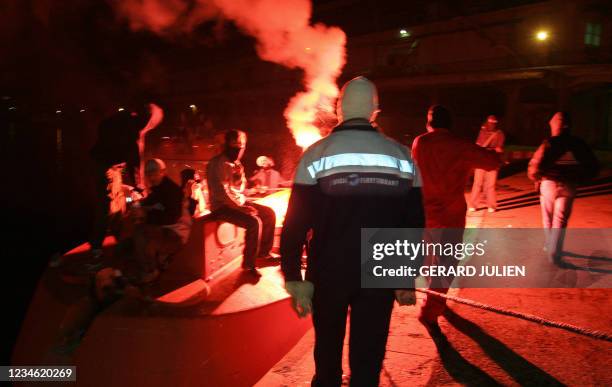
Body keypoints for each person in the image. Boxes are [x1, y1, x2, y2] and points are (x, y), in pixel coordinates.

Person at [280, 76, 425, 387]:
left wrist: (293, 276)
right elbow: (413, 225)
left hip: (329, 269)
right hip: (380, 269)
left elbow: (294, 224)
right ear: (375, 111)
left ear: (339, 108)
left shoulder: (315, 154)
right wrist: (404, 278)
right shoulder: (402, 157)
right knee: (368, 359)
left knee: (327, 352)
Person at [412, 105, 501, 325]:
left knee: (429, 259)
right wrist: (494, 153)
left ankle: (434, 299)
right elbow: (492, 162)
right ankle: (430, 309)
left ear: (429, 124)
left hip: (425, 212)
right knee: (446, 262)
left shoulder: (419, 142)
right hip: (450, 215)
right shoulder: (460, 146)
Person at [89, 103, 163, 260]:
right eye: (152, 124)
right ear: (148, 121)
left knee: (120, 203)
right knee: (107, 206)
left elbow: (131, 158)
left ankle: (118, 241)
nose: (150, 128)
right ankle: (96, 249)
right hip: (106, 167)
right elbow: (135, 163)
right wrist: (140, 188)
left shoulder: (127, 119)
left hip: (107, 164)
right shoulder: (134, 132)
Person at [528, 112, 599, 265]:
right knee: (560, 219)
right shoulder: (578, 143)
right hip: (569, 184)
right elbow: (593, 166)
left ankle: (549, 245)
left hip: (548, 183)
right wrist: (581, 179)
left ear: (554, 125)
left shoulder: (549, 142)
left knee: (547, 216)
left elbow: (535, 165)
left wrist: (535, 178)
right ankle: (555, 252)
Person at [206, 130, 277, 276]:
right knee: (254, 222)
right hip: (222, 207)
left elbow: (239, 189)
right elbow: (221, 193)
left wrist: (240, 179)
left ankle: (263, 253)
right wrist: (241, 208)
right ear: (227, 144)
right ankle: (248, 265)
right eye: (235, 144)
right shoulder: (216, 164)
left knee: (269, 213)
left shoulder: (237, 163)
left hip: (238, 202)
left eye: (242, 145)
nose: (239, 149)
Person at [131, 159, 186, 283]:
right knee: (137, 232)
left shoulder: (172, 190)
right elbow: (149, 201)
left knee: (140, 234)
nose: (151, 176)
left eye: (154, 172)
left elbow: (173, 217)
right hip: (165, 226)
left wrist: (147, 216)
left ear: (163, 172)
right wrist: (138, 205)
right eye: (148, 173)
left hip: (174, 229)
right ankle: (150, 267)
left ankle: (150, 270)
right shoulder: (159, 188)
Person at [469, 115, 505, 212]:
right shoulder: (482, 132)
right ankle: (473, 205)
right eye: (490, 122)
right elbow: (477, 146)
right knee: (477, 184)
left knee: (491, 185)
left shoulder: (499, 134)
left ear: (496, 123)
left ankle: (491, 205)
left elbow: (500, 148)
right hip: (481, 162)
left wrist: (497, 149)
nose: (491, 124)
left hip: (492, 162)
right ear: (487, 122)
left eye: (493, 123)